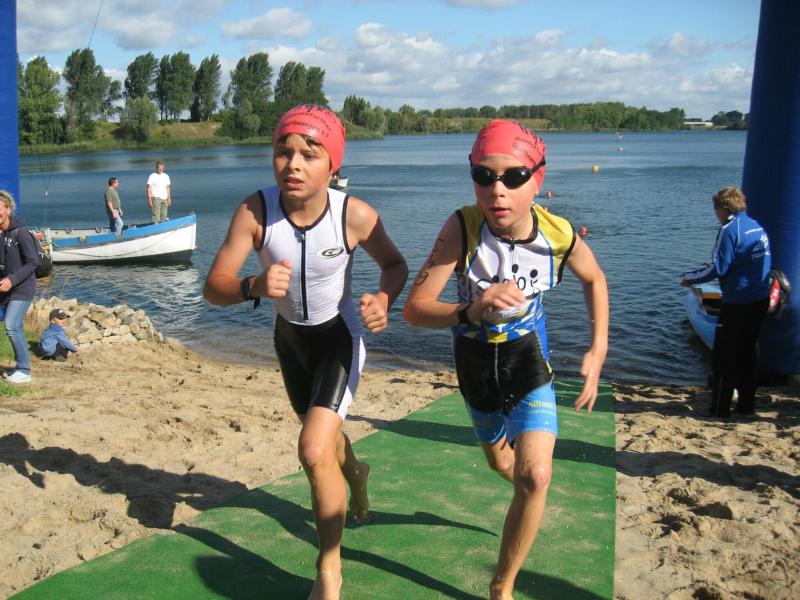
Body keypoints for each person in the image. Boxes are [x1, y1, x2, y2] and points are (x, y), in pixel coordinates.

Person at [203, 104, 408, 600]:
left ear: (333, 165)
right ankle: (356, 472)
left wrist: (383, 300)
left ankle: (328, 571)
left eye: (309, 155)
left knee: (313, 449)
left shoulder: (354, 215)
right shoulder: (255, 211)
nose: (293, 164)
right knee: (325, 446)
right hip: (290, 343)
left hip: (340, 338)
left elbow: (395, 265)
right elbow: (213, 287)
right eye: (283, 151)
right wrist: (252, 285)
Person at [403, 120, 609, 600]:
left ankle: (502, 586)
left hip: (527, 359)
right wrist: (473, 309)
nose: (497, 190)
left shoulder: (557, 235)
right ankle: (521, 494)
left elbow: (595, 279)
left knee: (535, 475)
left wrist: (597, 350)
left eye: (513, 177)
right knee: (503, 464)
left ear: (538, 179)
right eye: (483, 175)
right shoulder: (462, 227)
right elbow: (414, 310)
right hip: (474, 363)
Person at [681, 186, 771, 418]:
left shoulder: (730, 230)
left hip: (738, 303)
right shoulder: (757, 227)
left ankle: (719, 410)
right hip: (759, 299)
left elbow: (718, 268)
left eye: (715, 209)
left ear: (724, 208)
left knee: (724, 358)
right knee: (748, 353)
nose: (715, 214)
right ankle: (747, 407)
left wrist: (689, 278)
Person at [0, 190, 39, 384]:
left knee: (11, 325)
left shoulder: (20, 233)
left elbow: (33, 262)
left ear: (8, 210)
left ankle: (24, 369)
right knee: (16, 327)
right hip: (5, 289)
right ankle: (21, 367)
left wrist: (12, 280)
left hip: (22, 287)